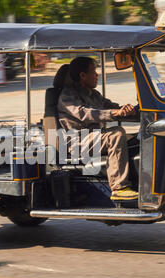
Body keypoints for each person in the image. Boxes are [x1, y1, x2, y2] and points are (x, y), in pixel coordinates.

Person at [56, 56, 138, 201]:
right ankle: (119, 187)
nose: (97, 75)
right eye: (94, 71)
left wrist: (132, 111)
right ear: (82, 75)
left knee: (137, 138)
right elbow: (86, 114)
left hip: (94, 138)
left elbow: (112, 107)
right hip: (77, 141)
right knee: (116, 135)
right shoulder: (67, 96)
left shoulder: (94, 94)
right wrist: (114, 113)